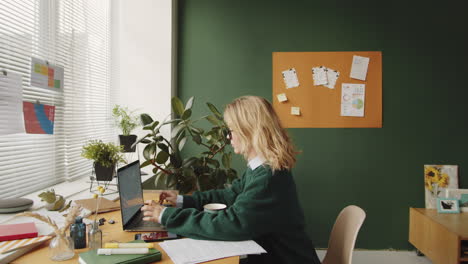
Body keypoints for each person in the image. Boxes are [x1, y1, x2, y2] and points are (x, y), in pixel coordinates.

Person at [141, 96, 321, 264]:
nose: (228, 137)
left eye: (232, 130)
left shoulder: (268, 178)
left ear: (249, 131)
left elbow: (231, 223)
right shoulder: (261, 168)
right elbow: (230, 195)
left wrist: (167, 215)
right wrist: (182, 201)